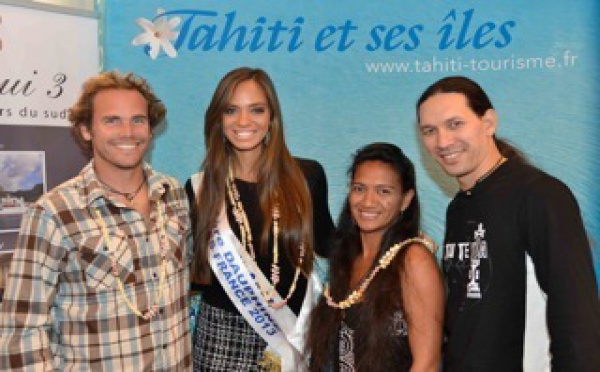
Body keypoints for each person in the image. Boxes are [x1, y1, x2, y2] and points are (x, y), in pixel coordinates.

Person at [0, 71, 192, 370]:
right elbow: (22, 332)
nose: (127, 131)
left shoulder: (174, 195)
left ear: (151, 129)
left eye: (138, 119)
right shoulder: (53, 213)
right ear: (86, 130)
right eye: (111, 120)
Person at [416, 75, 600, 371]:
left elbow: (577, 318)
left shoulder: (540, 195)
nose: (442, 141)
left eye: (455, 124)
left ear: (488, 122)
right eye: (429, 130)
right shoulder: (458, 209)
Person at [186, 67, 334, 371]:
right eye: (231, 110)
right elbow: (189, 273)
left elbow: (332, 244)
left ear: (272, 118)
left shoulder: (307, 177)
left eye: (256, 110)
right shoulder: (200, 188)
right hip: (222, 340)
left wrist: (399, 237)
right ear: (218, 119)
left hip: (294, 334)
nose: (243, 122)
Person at [305, 143, 444, 371]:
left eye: (384, 191)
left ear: (406, 200)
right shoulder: (346, 258)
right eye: (359, 188)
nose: (368, 201)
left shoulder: (413, 260)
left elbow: (426, 364)